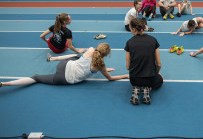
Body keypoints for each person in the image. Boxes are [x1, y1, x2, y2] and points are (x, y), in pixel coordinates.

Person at [0, 43, 129, 88]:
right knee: (37, 78)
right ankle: (4, 85)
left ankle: (53, 59)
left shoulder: (90, 50)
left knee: (78, 56)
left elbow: (92, 55)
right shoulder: (100, 66)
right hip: (65, 80)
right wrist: (126, 75)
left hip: (64, 65)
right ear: (106, 55)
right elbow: (111, 79)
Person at [125, 18, 163, 105]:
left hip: (134, 79)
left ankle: (136, 87)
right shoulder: (153, 40)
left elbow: (127, 67)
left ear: (134, 29)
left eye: (130, 29)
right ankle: (147, 89)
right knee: (160, 80)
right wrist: (157, 72)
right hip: (150, 79)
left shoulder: (129, 42)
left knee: (137, 80)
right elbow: (159, 64)